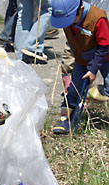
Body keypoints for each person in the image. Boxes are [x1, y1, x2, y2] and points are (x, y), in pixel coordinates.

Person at [51, 0, 109, 134]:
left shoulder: (98, 18)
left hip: (105, 56)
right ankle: (65, 121)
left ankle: (96, 91)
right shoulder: (66, 19)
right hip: (82, 58)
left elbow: (104, 47)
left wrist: (93, 69)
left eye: (70, 19)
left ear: (81, 9)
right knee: (72, 92)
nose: (69, 23)